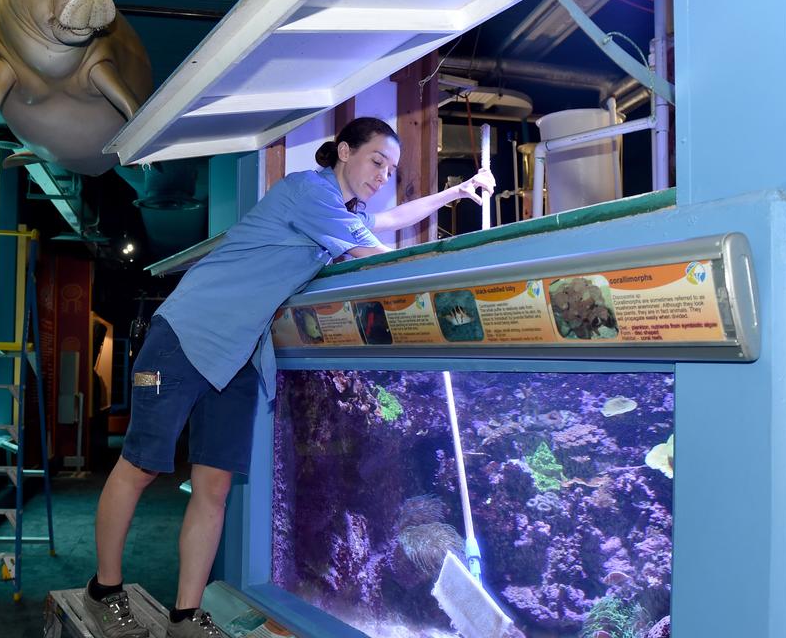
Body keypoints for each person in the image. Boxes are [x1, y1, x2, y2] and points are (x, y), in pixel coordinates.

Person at [83, 117, 494, 638]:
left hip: (239, 354)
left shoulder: (340, 212)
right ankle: (104, 590)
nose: (383, 174)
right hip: (186, 334)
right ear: (343, 151)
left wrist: (454, 192)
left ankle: (185, 617)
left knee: (214, 487)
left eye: (391, 168)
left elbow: (385, 221)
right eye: (376, 161)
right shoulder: (307, 191)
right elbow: (376, 252)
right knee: (139, 467)